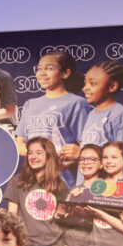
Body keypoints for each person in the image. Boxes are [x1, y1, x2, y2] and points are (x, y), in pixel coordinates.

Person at [15, 51, 91, 187]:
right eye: (39, 68)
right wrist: (41, 157)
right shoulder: (30, 104)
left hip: (64, 182)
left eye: (49, 68)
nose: (42, 73)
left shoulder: (76, 103)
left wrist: (67, 160)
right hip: (32, 181)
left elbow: (86, 147)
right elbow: (19, 143)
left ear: (65, 73)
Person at [4, 137, 69, 246]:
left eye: (39, 153)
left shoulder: (61, 185)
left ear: (49, 156)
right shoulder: (17, 182)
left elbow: (64, 219)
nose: (33, 157)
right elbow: (11, 219)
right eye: (30, 153)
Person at [55, 144, 102, 246]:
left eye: (91, 159)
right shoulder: (71, 192)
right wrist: (60, 216)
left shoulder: (110, 192)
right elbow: (62, 223)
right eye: (82, 159)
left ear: (101, 163)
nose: (86, 163)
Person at [81, 60, 123, 169]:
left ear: (112, 86)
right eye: (85, 83)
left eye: (92, 84)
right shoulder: (92, 114)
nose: (85, 88)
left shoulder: (120, 114)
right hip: (87, 183)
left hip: (106, 184)